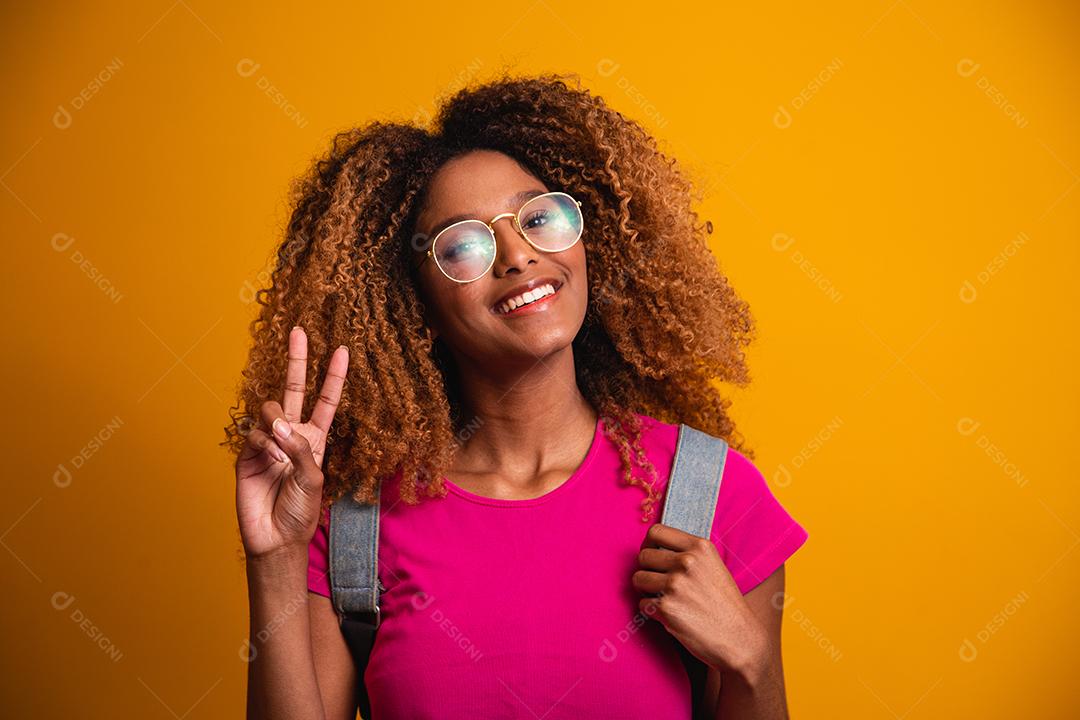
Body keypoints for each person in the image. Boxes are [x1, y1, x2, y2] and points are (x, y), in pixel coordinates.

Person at [225, 72, 809, 720]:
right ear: (412, 302)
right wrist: (276, 560)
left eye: (540, 217)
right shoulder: (352, 525)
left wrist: (749, 664)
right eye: (464, 245)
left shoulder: (707, 492)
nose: (518, 255)